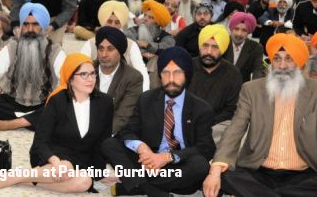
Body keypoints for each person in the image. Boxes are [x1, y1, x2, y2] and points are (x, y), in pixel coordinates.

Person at [203, 33, 317, 197]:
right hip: (259, 170)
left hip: (302, 172)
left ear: (300, 64)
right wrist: (215, 170)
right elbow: (235, 129)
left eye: (289, 59)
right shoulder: (252, 90)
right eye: (277, 59)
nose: (282, 65)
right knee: (223, 174)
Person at [0, 53, 113, 193]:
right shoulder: (57, 100)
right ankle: (16, 176)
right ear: (70, 78)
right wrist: (55, 161)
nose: (90, 79)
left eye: (92, 74)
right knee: (66, 167)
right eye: (83, 74)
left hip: (83, 159)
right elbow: (40, 142)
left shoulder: (105, 103)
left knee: (84, 182)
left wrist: (99, 174)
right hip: (53, 154)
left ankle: (27, 181)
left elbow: (103, 141)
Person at [102, 46, 215, 197]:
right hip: (146, 162)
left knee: (200, 165)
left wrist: (166, 157)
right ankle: (153, 191)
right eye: (166, 73)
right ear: (160, 75)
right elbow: (127, 132)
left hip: (178, 167)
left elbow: (206, 148)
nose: (171, 79)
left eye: (177, 73)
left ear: (187, 75)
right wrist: (143, 149)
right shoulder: (146, 99)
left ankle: (136, 185)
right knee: (109, 144)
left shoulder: (201, 108)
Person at [0, 3, 65, 131]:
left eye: (35, 24)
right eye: (26, 24)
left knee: (61, 105)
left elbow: (64, 78)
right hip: (13, 102)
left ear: (43, 27)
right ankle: (31, 120)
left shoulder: (55, 50)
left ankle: (12, 123)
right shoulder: (12, 47)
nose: (30, 29)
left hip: (41, 104)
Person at [80, 0, 150, 91]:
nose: (113, 26)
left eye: (117, 22)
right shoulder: (90, 44)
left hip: (123, 93)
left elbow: (141, 72)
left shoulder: (130, 45)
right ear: (103, 21)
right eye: (109, 21)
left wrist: (143, 97)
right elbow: (79, 69)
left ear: (121, 24)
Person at [188, 24, 242, 141]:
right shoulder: (187, 67)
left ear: (222, 49)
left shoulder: (233, 73)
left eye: (215, 47)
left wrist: (207, 123)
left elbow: (231, 109)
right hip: (186, 122)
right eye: (205, 46)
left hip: (217, 126)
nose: (208, 52)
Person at [93, 27, 143, 134]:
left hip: (111, 134)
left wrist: (100, 136)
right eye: (101, 48)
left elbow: (123, 116)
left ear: (120, 52)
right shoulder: (87, 70)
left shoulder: (133, 78)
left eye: (110, 49)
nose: (104, 54)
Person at [125, 0, 175, 88]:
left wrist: (146, 45)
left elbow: (169, 45)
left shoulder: (165, 36)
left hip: (154, 76)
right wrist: (142, 52)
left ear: (158, 23)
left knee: (156, 59)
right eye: (145, 15)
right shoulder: (133, 30)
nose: (145, 19)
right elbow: (128, 40)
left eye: (150, 17)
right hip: (133, 70)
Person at [223, 12, 265, 82]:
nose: (239, 34)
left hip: (242, 88)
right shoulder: (222, 42)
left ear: (248, 32)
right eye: (236, 29)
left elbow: (258, 71)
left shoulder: (256, 48)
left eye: (244, 30)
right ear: (231, 29)